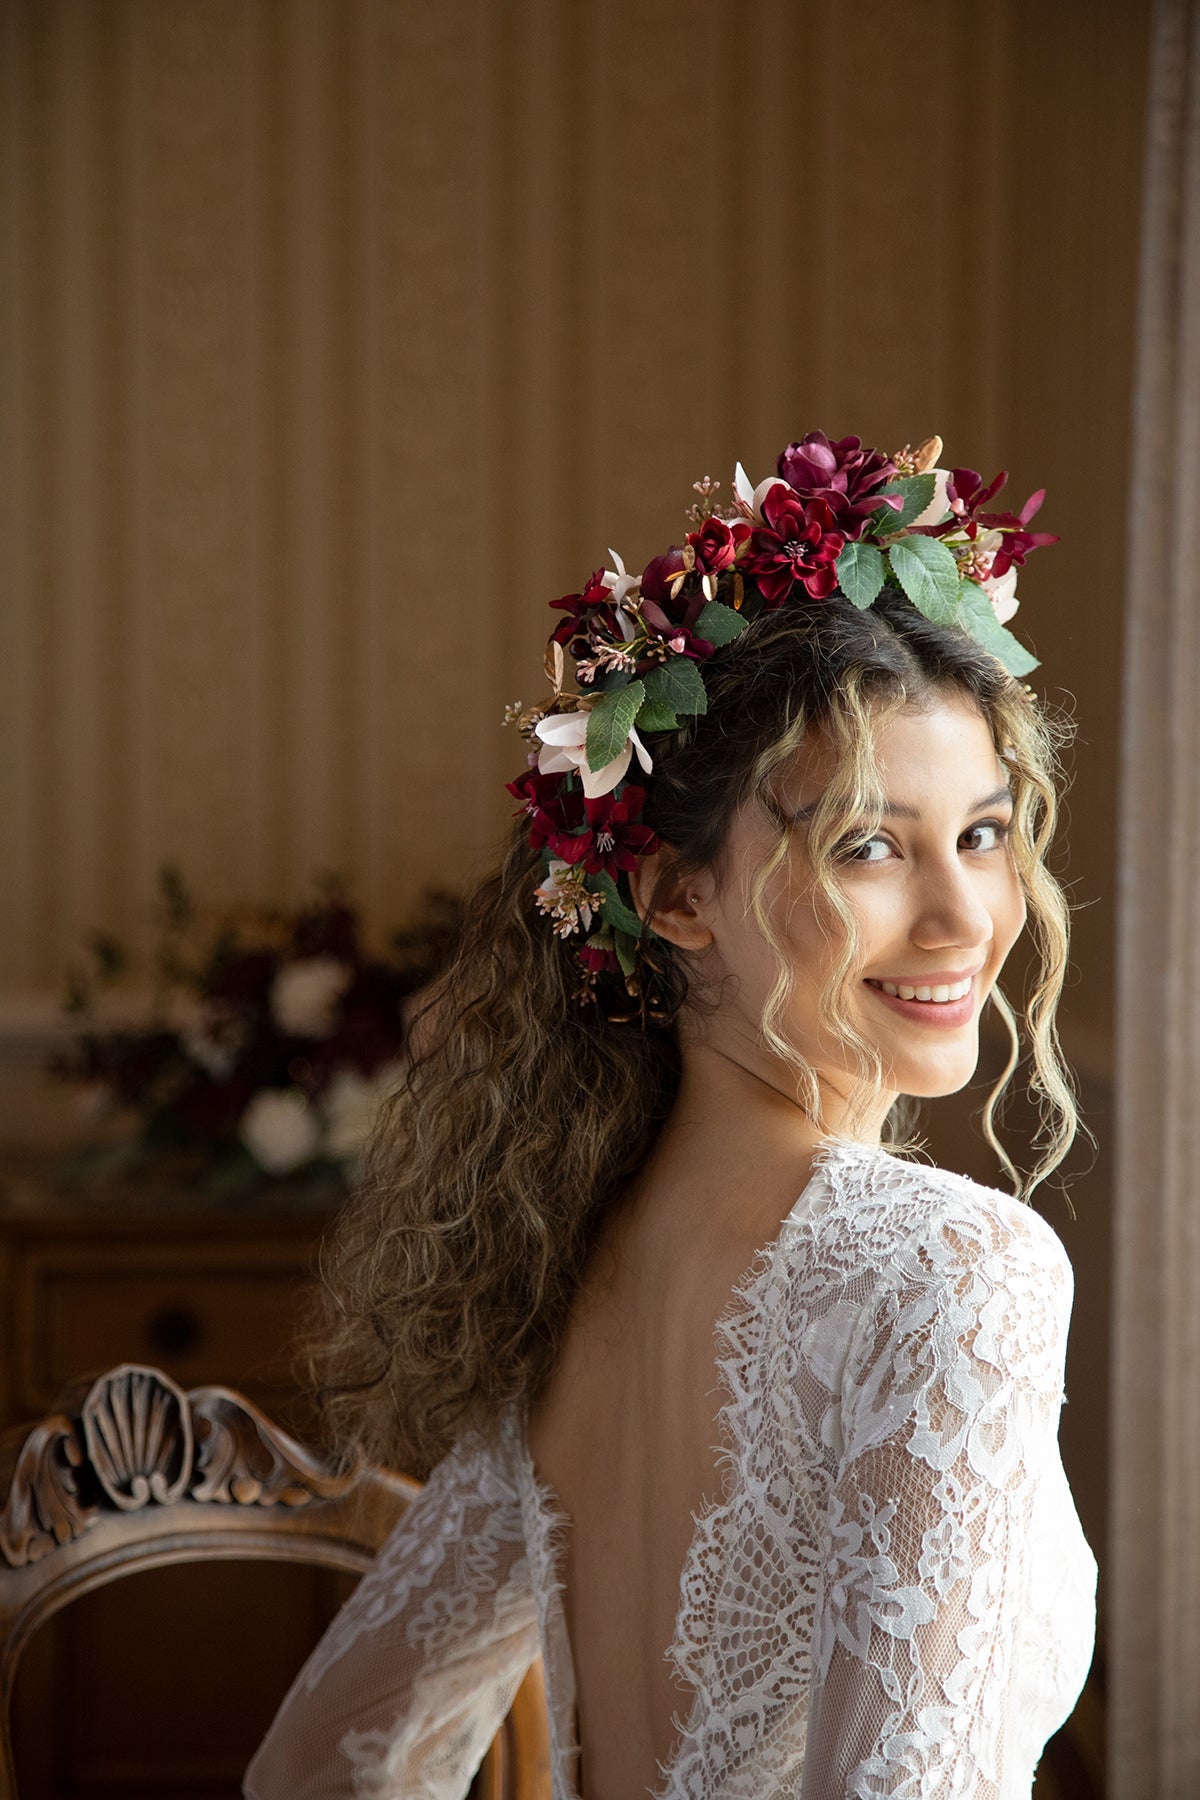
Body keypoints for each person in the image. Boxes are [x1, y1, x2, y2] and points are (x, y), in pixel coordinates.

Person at [244, 433, 1097, 1799]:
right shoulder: (952, 1270)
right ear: (678, 897)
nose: (962, 918)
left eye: (984, 835)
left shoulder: (569, 1259)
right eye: (868, 845)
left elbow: (321, 1766)